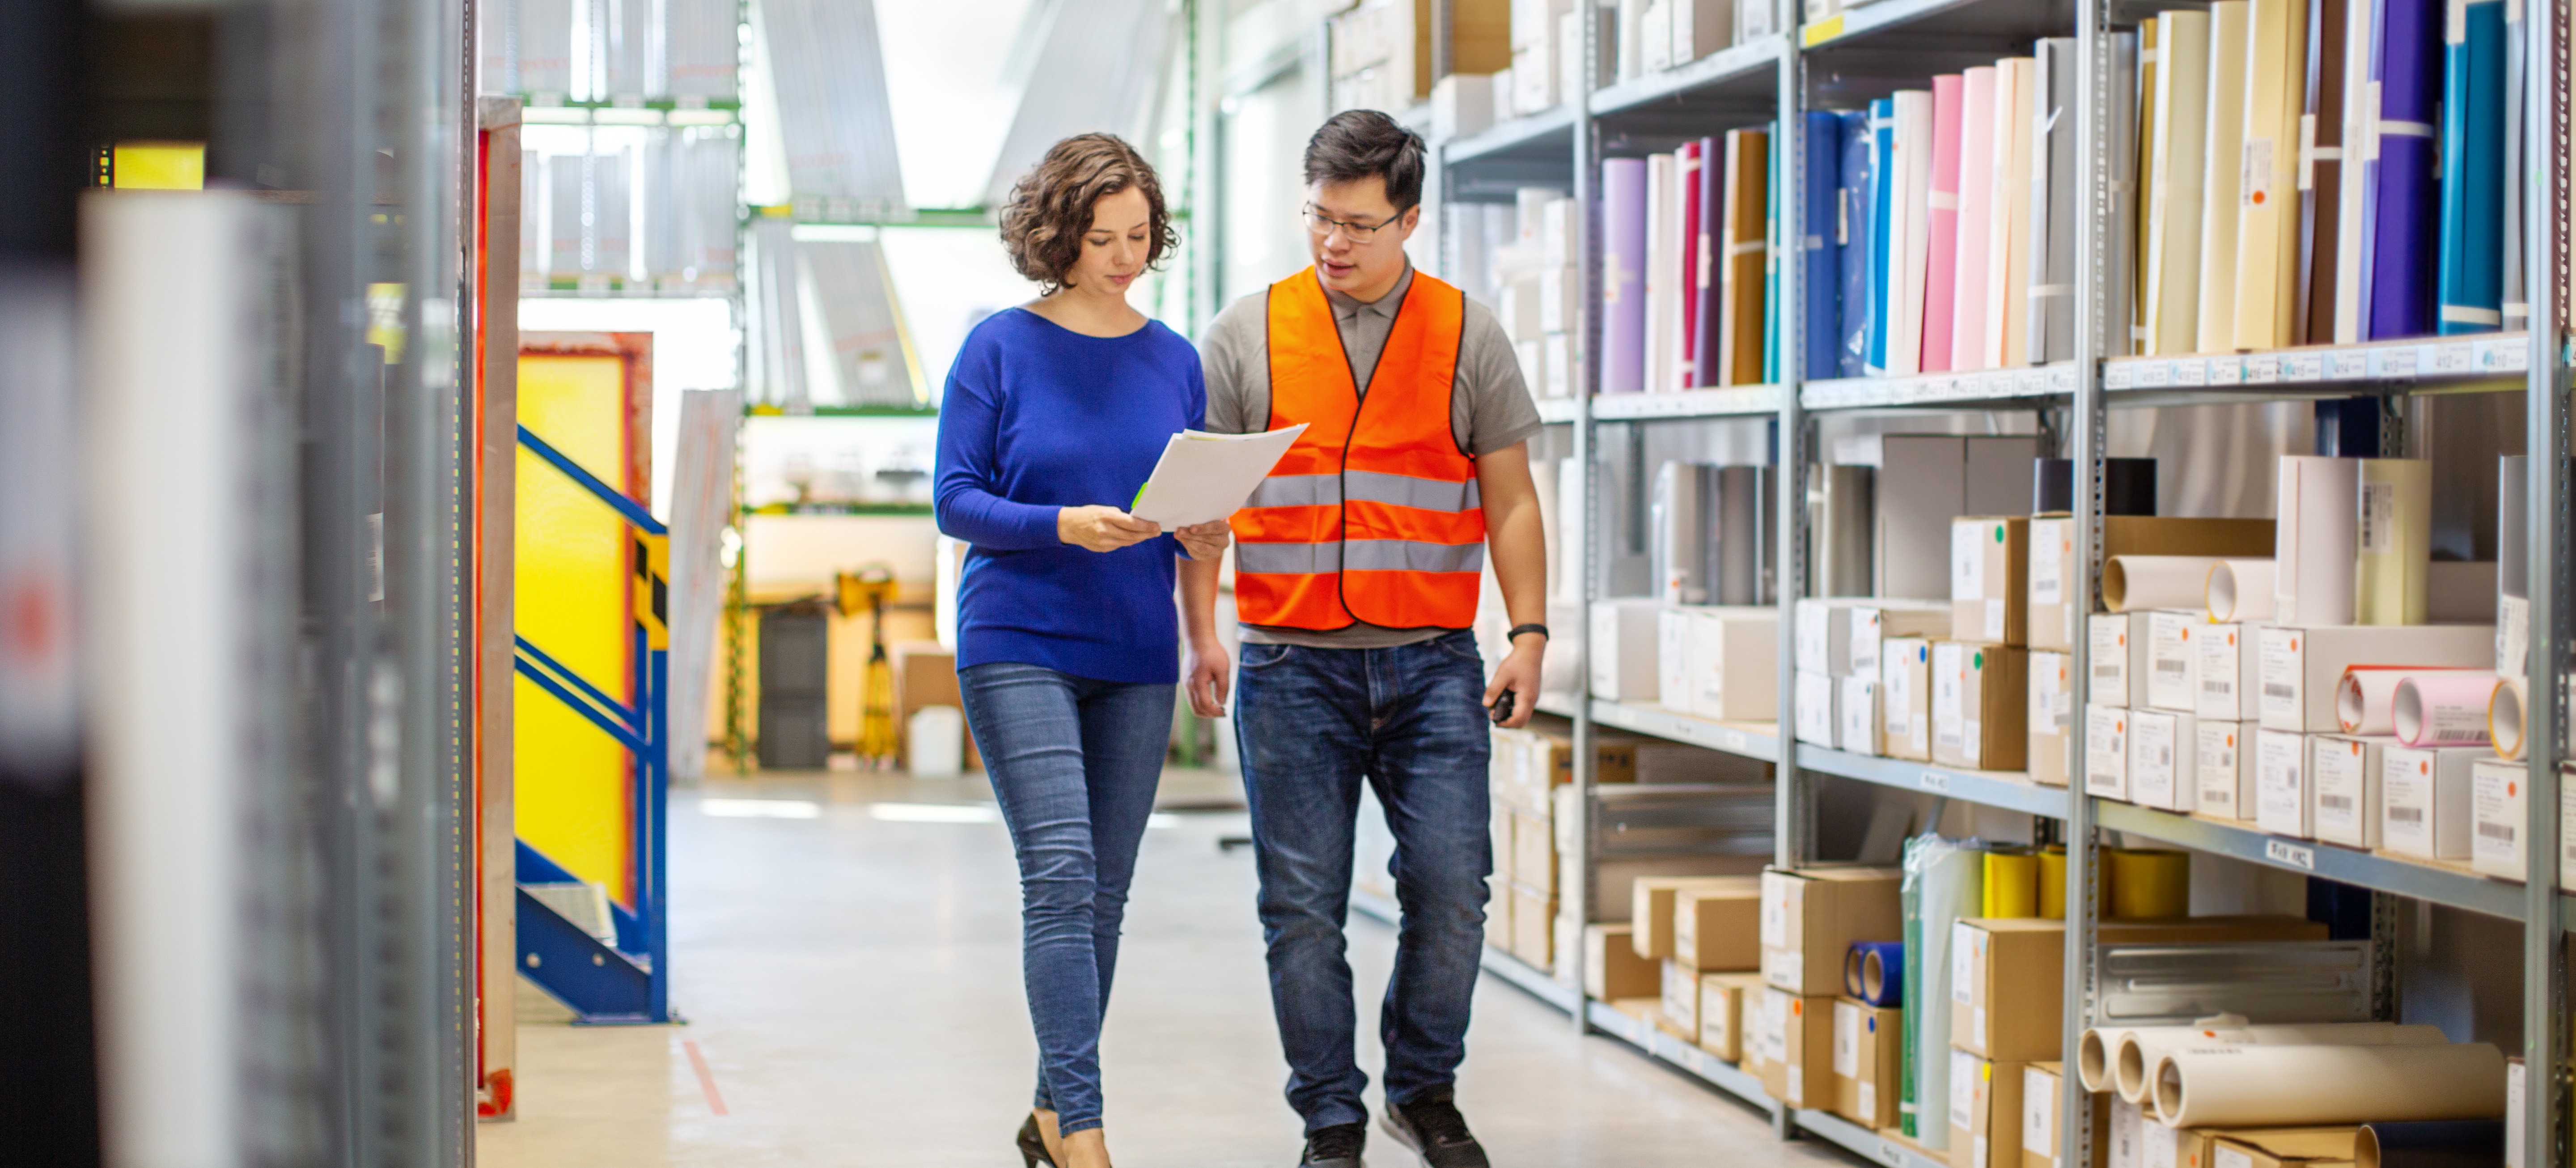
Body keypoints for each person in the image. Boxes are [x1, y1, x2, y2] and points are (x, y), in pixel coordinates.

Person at [1178, 110, 1550, 1168]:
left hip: (1434, 661)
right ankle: (1330, 1118)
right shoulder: (1246, 332)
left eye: (1357, 223)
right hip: (1291, 663)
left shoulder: (1468, 332)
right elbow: (1207, 499)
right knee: (1300, 905)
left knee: (1452, 890)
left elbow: (1512, 500)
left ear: (1410, 219)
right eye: (1317, 217)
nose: (1333, 243)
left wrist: (1527, 634)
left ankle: (1422, 1088)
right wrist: (1200, 629)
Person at [935, 132, 1230, 1168]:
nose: (1120, 256)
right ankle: (1089, 1134)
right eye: (1100, 236)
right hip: (1018, 634)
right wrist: (1062, 523)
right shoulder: (999, 348)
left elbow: (1199, 510)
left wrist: (1205, 628)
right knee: (1059, 873)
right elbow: (954, 500)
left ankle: (1047, 1113)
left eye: (1139, 235)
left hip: (1138, 646)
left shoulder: (1175, 359)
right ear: (1055, 234)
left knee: (1104, 891)